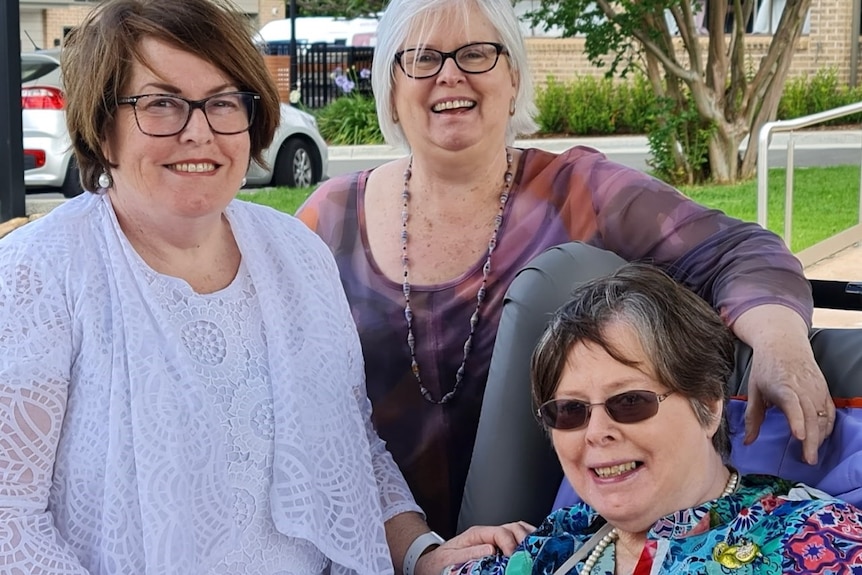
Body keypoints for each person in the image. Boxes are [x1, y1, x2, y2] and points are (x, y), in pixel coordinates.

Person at [0, 0, 529, 573]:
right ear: (103, 126)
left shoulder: (298, 252)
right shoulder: (38, 274)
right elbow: (9, 517)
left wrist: (422, 554)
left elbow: (354, 450)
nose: (198, 131)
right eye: (160, 103)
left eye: (224, 102)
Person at [295, 0, 834, 537]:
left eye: (476, 53)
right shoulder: (327, 220)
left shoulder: (580, 192)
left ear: (512, 77)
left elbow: (740, 249)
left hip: (549, 547)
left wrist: (780, 344)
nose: (450, 74)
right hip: (367, 542)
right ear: (391, 85)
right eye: (422, 58)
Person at [443, 263, 862, 574]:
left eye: (629, 402)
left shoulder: (814, 539)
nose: (597, 433)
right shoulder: (553, 543)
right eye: (570, 411)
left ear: (709, 404)